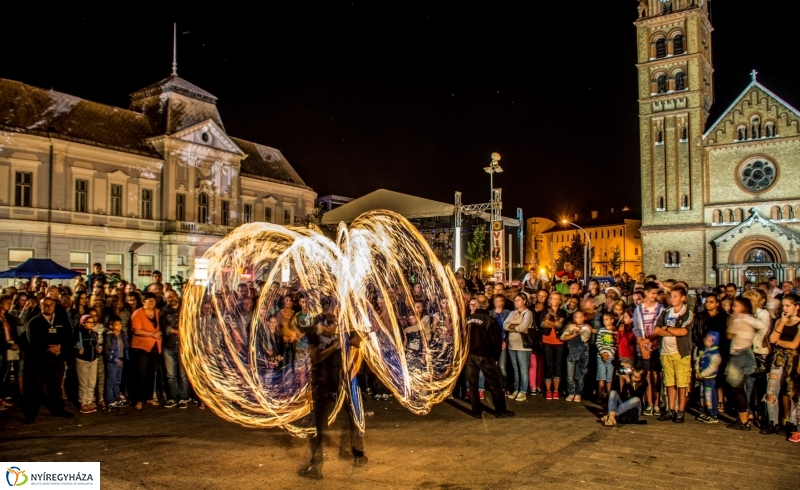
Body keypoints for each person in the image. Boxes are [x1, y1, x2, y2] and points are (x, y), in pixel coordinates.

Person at [21, 297, 74, 422]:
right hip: (40, 361)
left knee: (55, 386)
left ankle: (58, 409)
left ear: (54, 305)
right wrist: (47, 349)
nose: (48, 307)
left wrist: (60, 347)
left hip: (57, 360)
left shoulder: (61, 320)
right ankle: (31, 414)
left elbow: (68, 337)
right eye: (45, 305)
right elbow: (32, 341)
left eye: (51, 305)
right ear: (40, 306)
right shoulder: (34, 322)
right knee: (35, 387)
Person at [464, 295, 514, 419]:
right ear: (487, 305)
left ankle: (476, 411)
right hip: (485, 356)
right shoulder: (490, 320)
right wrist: (495, 357)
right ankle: (500, 410)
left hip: (470, 355)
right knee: (495, 383)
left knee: (473, 384)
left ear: (476, 305)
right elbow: (496, 341)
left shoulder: (468, 319)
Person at [650, 286, 694, 424]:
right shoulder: (666, 312)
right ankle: (670, 409)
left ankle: (680, 410)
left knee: (681, 382)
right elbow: (657, 329)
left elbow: (683, 332)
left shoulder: (687, 313)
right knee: (669, 382)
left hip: (680, 352)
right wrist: (670, 331)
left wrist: (667, 328)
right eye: (671, 296)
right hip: (666, 351)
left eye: (675, 296)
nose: (672, 298)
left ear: (683, 298)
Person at [726, 296, 765, 431]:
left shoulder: (740, 319)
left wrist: (731, 322)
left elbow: (729, 335)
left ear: (743, 306)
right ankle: (743, 417)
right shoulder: (748, 318)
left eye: (736, 305)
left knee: (737, 389)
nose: (733, 308)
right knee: (741, 388)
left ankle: (743, 421)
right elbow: (761, 326)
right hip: (745, 352)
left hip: (739, 354)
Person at [763, 293, 800, 435]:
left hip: (793, 360)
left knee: (791, 392)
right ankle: (773, 421)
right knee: (771, 390)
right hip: (778, 359)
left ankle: (792, 422)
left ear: (796, 306)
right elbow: (771, 339)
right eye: (783, 305)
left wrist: (778, 341)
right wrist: (782, 323)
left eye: (788, 306)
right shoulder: (780, 320)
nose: (785, 308)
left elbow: (794, 344)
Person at [632, 281, 664, 416]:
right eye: (652, 293)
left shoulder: (661, 308)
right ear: (645, 292)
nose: (655, 296)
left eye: (656, 293)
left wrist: (651, 341)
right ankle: (649, 403)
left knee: (656, 375)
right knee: (647, 375)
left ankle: (657, 403)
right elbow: (636, 328)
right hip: (644, 347)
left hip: (657, 347)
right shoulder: (638, 309)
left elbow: (661, 328)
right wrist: (642, 345)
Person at [129, 292, 162, 410]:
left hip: (155, 347)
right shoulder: (137, 313)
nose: (152, 302)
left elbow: (161, 327)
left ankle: (148, 397)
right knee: (141, 373)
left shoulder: (158, 312)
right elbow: (136, 330)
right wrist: (152, 334)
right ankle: (138, 399)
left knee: (151, 373)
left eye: (153, 300)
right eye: (149, 300)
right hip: (141, 347)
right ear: (143, 302)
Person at [503, 294, 533, 402]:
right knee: (516, 369)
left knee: (523, 369)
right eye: (515, 300)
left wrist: (513, 326)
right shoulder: (512, 313)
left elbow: (523, 327)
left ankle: (523, 391)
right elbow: (505, 325)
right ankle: (517, 389)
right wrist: (516, 326)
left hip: (523, 346)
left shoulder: (528, 313)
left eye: (518, 300)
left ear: (524, 301)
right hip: (512, 345)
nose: (516, 302)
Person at [161, 290, 188, 409]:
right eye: (168, 297)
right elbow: (163, 327)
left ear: (176, 296)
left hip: (182, 347)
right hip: (169, 347)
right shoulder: (163, 311)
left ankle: (182, 398)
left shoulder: (185, 309)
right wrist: (176, 331)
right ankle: (172, 398)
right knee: (170, 375)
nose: (170, 298)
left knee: (182, 375)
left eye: (172, 296)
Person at [540, 292, 566, 400]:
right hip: (547, 340)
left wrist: (554, 317)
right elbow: (542, 324)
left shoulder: (562, 312)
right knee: (548, 366)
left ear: (560, 301)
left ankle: (555, 391)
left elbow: (559, 326)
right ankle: (548, 391)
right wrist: (552, 321)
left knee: (557, 366)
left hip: (559, 341)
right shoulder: (544, 311)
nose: (553, 301)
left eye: (556, 299)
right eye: (552, 298)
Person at [561, 310, 591, 403]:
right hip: (571, 352)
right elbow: (563, 337)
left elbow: (583, 337)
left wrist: (573, 334)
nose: (579, 319)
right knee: (570, 375)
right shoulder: (570, 326)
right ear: (573, 318)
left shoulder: (587, 327)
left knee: (580, 374)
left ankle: (578, 393)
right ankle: (571, 393)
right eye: (576, 317)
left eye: (581, 317)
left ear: (584, 317)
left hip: (582, 353)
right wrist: (574, 333)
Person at [74, 314, 101, 414]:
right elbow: (74, 345)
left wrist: (98, 349)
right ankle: (83, 402)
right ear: (83, 323)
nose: (91, 324)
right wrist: (78, 349)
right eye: (89, 322)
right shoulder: (79, 334)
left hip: (93, 360)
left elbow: (96, 344)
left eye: (92, 322)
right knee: (83, 382)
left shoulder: (94, 334)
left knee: (92, 381)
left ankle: (90, 400)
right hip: (83, 360)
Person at [695, 331, 722, 423]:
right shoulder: (704, 350)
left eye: (707, 339)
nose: (705, 340)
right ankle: (706, 410)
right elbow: (698, 359)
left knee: (710, 396)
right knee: (704, 395)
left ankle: (713, 413)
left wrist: (703, 374)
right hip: (703, 378)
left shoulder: (715, 354)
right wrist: (697, 370)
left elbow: (712, 367)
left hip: (710, 378)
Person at [104, 316, 129, 410]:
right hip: (113, 361)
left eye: (120, 324)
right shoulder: (109, 336)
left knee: (118, 381)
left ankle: (117, 398)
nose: (119, 326)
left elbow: (125, 346)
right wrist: (114, 359)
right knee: (111, 381)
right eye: (116, 324)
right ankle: (110, 400)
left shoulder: (122, 334)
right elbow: (107, 350)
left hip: (121, 359)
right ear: (111, 326)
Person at [0, 295, 20, 409]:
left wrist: (15, 343)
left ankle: (2, 399)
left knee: (4, 374)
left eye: (10, 302)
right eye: (7, 302)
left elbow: (14, 331)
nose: (9, 304)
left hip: (9, 348)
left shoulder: (9, 317)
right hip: (2, 348)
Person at [596, 312, 618, 401]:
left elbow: (616, 345)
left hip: (611, 357)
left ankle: (609, 396)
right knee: (601, 377)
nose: (605, 322)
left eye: (607, 319)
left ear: (612, 320)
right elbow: (598, 342)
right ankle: (600, 395)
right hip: (600, 357)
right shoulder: (601, 330)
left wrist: (608, 354)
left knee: (609, 378)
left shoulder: (615, 332)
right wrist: (602, 353)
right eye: (603, 320)